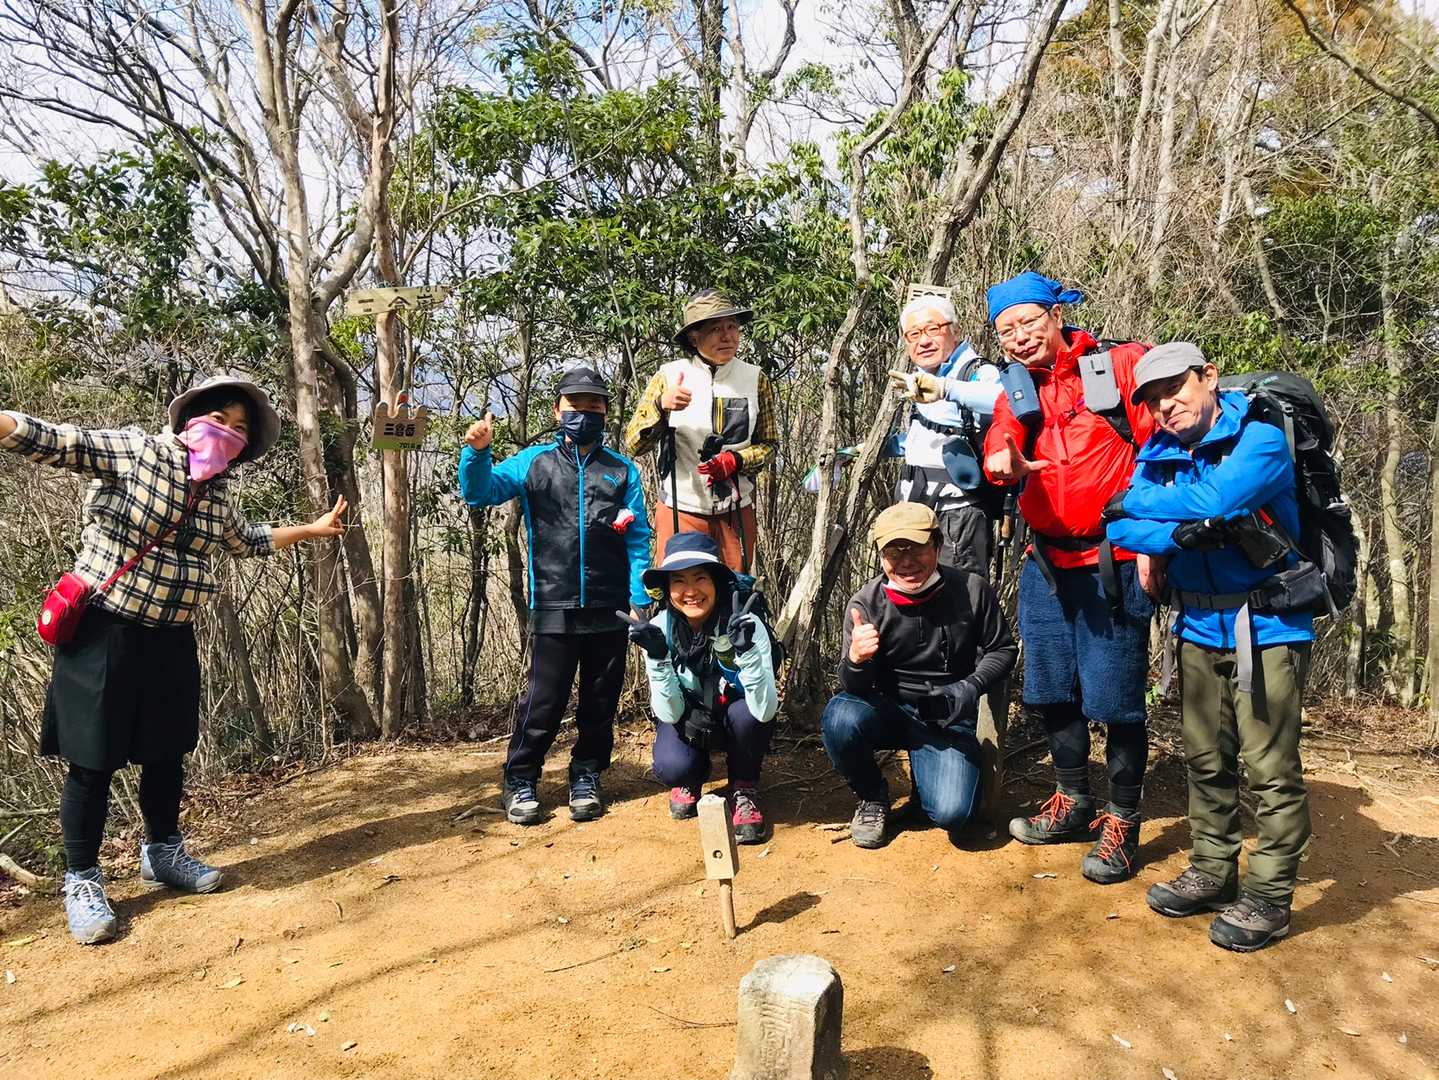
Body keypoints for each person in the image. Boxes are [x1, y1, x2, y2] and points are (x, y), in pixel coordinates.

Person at [0, 375, 347, 945]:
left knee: (166, 751)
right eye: (220, 419)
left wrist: (312, 529)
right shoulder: (137, 452)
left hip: (170, 635)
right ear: (191, 419)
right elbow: (60, 442)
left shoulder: (218, 496)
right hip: (104, 632)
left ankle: (162, 852)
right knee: (92, 760)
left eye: (240, 429)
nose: (227, 432)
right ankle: (81, 878)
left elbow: (247, 541)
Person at [1104, 343, 1313, 951]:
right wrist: (1180, 531)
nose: (1166, 406)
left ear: (1209, 377)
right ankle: (1213, 870)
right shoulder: (1159, 451)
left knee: (1269, 771)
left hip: (1268, 627)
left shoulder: (1262, 440)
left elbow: (1215, 500)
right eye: (1152, 399)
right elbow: (1119, 528)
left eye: (1175, 388)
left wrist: (1141, 503)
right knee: (1205, 760)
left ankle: (1269, 896)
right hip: (1196, 625)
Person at [980, 271, 1157, 884]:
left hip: (1115, 559)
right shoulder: (1016, 386)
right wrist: (1000, 458)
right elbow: (1002, 433)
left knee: (1118, 698)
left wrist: (1154, 543)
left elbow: (1160, 448)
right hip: (1046, 562)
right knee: (1053, 688)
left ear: (1057, 315)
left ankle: (1123, 821)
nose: (1020, 337)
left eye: (1029, 322)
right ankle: (1073, 798)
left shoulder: (1117, 367)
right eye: (1007, 330)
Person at [460, 365, 652, 826]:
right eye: (575, 405)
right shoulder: (533, 462)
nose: (584, 413)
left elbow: (638, 536)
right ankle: (520, 777)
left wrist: (639, 594)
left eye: (594, 405)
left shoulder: (621, 470)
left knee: (600, 701)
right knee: (543, 701)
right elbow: (481, 492)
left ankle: (587, 773)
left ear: (605, 412)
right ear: (557, 410)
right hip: (552, 602)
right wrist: (477, 452)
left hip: (610, 606)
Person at [820, 503, 1016, 849]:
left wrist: (970, 687)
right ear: (881, 556)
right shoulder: (866, 603)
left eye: (916, 548)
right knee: (839, 716)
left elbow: (1002, 649)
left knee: (953, 814)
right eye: (894, 552)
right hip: (887, 710)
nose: (906, 561)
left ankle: (926, 786)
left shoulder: (972, 590)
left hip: (948, 716)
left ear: (937, 546)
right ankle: (872, 797)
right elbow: (853, 687)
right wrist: (856, 660)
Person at [623, 532, 778, 843]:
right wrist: (658, 658)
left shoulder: (746, 625)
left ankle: (744, 786)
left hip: (738, 715)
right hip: (689, 714)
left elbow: (764, 710)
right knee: (672, 767)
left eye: (700, 578)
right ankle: (692, 776)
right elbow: (669, 713)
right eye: (679, 581)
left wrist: (747, 654)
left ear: (717, 582)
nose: (690, 591)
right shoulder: (659, 629)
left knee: (747, 715)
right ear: (667, 589)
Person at [624, 289, 777, 573]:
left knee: (736, 589)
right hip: (681, 509)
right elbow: (634, 443)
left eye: (732, 327)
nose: (727, 336)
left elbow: (769, 444)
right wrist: (660, 406)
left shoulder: (755, 378)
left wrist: (737, 460)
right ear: (694, 337)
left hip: (735, 511)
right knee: (679, 588)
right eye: (716, 329)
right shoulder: (669, 376)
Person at [883, 293, 1005, 576]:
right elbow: (923, 439)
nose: (923, 341)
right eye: (913, 334)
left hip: (957, 514)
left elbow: (1003, 400)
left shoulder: (976, 372)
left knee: (958, 596)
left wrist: (946, 389)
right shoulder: (920, 377)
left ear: (955, 331)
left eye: (933, 329)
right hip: (915, 511)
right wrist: (870, 449)